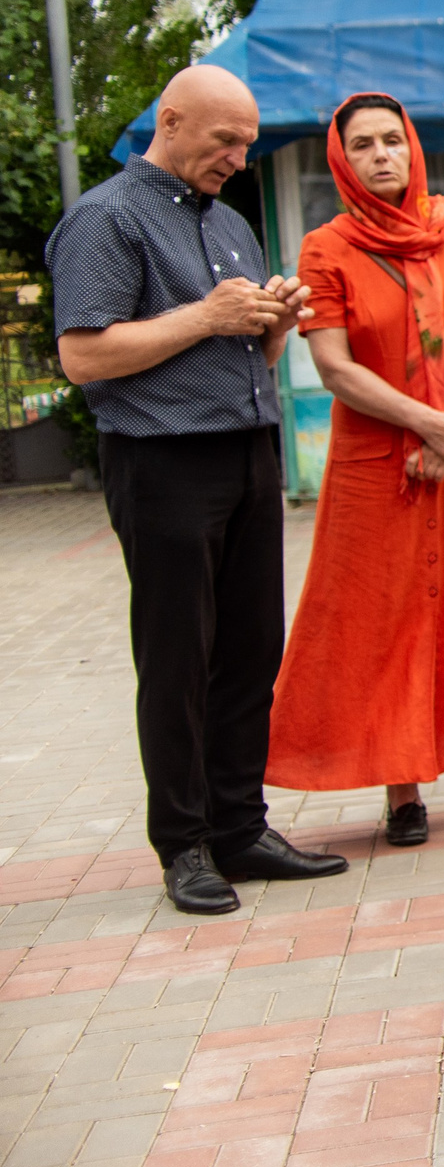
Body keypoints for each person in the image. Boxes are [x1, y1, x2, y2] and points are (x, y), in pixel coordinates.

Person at [47, 64, 350, 915]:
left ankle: (240, 825)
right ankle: (182, 844)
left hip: (245, 451)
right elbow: (84, 356)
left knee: (252, 649)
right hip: (162, 463)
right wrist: (208, 315)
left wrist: (275, 322)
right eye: (227, 141)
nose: (239, 159)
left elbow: (241, 355)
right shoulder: (105, 219)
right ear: (171, 121)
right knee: (180, 657)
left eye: (248, 144)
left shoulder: (229, 224)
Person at [264, 95, 444, 845]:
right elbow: (332, 365)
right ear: (342, 160)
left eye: (393, 139)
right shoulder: (327, 249)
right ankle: (403, 793)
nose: (381, 154)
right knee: (386, 615)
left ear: (413, 146)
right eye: (363, 145)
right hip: (380, 459)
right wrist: (426, 424)